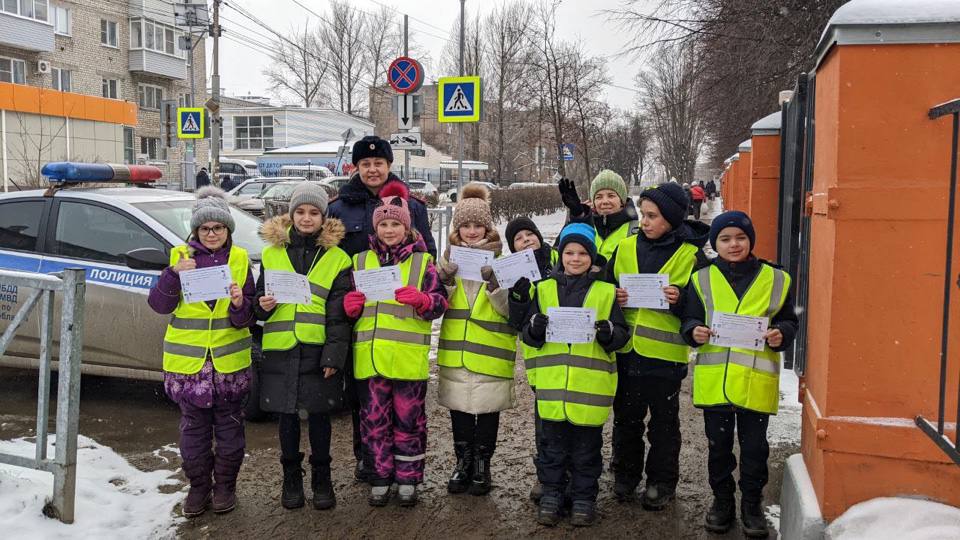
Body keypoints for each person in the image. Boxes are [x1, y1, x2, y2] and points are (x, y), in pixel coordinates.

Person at [680, 211, 798, 538]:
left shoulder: (776, 279)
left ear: (751, 241)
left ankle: (751, 503)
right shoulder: (701, 278)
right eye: (725, 239)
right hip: (716, 382)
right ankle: (721, 502)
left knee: (754, 449)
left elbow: (789, 321)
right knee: (718, 448)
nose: (734, 244)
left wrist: (781, 334)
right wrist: (694, 331)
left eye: (740, 238)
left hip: (754, 382)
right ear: (715, 243)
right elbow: (689, 318)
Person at [328, 135, 437, 482]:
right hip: (360, 316)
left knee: (404, 405)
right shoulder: (339, 208)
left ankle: (403, 466)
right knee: (364, 393)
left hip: (401, 320)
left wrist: (422, 296)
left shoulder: (413, 206)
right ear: (356, 167)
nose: (372, 169)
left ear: (389, 165)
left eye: (378, 163)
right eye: (365, 164)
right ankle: (369, 458)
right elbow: (330, 260)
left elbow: (426, 256)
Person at [147, 187, 256, 518]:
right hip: (189, 367)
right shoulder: (179, 257)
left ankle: (225, 487)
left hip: (229, 367)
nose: (212, 234)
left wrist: (240, 303)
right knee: (193, 434)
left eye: (218, 228)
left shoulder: (239, 259)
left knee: (230, 433)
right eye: (205, 228)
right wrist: (173, 275)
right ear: (196, 230)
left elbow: (246, 318)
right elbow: (159, 305)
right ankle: (197, 488)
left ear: (227, 231)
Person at [518, 223, 630, 527]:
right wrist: (535, 328)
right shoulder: (543, 289)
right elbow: (528, 335)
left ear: (592, 258)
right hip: (553, 388)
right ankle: (552, 495)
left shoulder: (606, 293)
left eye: (582, 253)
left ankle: (583, 498)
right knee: (552, 450)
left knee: (586, 452)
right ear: (560, 255)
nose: (576, 258)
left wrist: (608, 332)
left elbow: (621, 336)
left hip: (589, 391)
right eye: (569, 252)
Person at [343, 183, 448, 507]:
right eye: (384, 224)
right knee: (373, 423)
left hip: (406, 359)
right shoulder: (360, 262)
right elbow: (348, 307)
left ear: (407, 227)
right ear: (376, 227)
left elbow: (440, 302)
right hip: (371, 360)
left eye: (396, 224)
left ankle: (408, 479)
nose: (389, 230)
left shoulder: (421, 262)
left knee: (409, 423)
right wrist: (349, 307)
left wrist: (423, 300)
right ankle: (380, 476)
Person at [606, 182, 710, 509]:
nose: (645, 222)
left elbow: (706, 305)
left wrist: (681, 301)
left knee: (664, 424)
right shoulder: (624, 248)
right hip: (627, 353)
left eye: (653, 216)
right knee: (626, 419)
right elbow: (601, 292)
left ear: (672, 219)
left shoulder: (690, 256)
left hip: (665, 358)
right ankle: (625, 474)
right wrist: (614, 298)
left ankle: (662, 481)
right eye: (644, 214)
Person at [254, 183, 352, 511]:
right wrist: (262, 306)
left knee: (320, 417)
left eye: (313, 213)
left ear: (324, 217)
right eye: (300, 212)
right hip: (281, 347)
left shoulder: (338, 258)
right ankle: (291, 478)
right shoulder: (271, 253)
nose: (306, 218)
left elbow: (339, 316)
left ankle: (321, 479)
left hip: (317, 349)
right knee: (287, 418)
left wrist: (334, 356)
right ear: (291, 215)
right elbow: (257, 303)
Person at [435, 183, 515, 497]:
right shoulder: (446, 259)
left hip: (491, 349)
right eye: (465, 225)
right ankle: (463, 461)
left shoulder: (502, 260)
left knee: (488, 411)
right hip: (456, 348)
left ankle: (483, 463)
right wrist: (446, 282)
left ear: (488, 226)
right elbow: (436, 304)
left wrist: (496, 284)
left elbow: (511, 310)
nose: (471, 231)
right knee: (460, 411)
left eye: (477, 225)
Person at [503, 216, 558, 502]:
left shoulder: (562, 256)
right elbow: (516, 322)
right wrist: (519, 298)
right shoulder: (514, 273)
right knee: (545, 422)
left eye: (529, 234)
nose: (526, 240)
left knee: (575, 421)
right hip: (541, 359)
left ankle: (575, 473)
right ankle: (546, 475)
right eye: (519, 239)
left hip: (574, 353)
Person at [558, 170, 638, 267]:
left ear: (622, 200)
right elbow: (559, 257)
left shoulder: (637, 230)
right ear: (594, 202)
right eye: (599, 197)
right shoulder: (585, 225)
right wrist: (577, 217)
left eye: (611, 196)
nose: (604, 201)